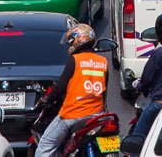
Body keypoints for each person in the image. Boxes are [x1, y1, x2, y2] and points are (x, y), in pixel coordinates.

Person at [34, 24, 108, 157]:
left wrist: (47, 99)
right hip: (97, 115)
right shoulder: (103, 61)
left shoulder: (75, 60)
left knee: (45, 144)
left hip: (73, 114)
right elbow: (104, 92)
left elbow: (60, 87)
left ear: (77, 41)